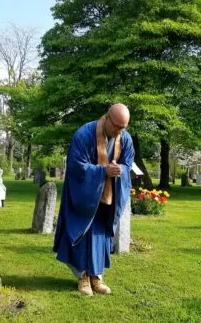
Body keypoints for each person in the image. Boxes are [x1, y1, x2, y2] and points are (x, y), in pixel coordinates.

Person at [53, 103, 135, 296]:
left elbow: (128, 162)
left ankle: (96, 277)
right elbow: (76, 166)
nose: (118, 132)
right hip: (84, 195)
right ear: (107, 118)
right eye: (116, 126)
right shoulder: (84, 135)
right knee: (83, 236)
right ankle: (82, 277)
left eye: (123, 128)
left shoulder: (125, 138)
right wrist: (103, 171)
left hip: (108, 198)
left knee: (100, 237)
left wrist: (120, 171)